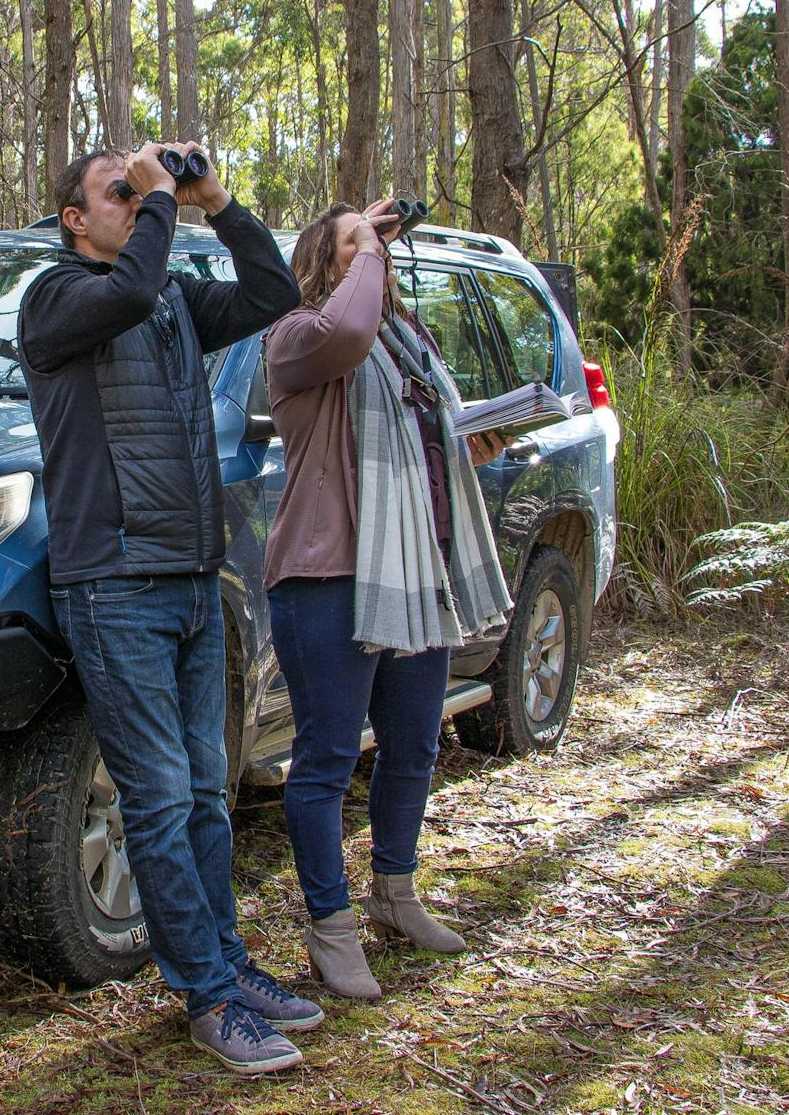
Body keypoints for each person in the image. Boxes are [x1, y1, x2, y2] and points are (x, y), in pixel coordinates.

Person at [18, 142, 322, 1074]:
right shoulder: (55, 298)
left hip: (191, 581)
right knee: (153, 803)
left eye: (142, 190)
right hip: (113, 589)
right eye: (119, 192)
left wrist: (217, 203)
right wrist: (159, 205)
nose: (142, 202)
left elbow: (273, 294)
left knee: (203, 795)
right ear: (77, 218)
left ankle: (226, 964)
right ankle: (205, 996)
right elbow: (125, 291)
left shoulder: (173, 301)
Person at [262, 200, 512, 1000]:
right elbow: (348, 333)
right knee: (329, 759)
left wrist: (472, 439)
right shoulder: (299, 338)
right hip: (327, 579)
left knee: (413, 745)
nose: (374, 254)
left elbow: (432, 442)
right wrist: (368, 242)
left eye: (375, 245)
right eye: (352, 244)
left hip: (415, 572)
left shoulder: (412, 347)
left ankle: (396, 896)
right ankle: (330, 929)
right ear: (323, 261)